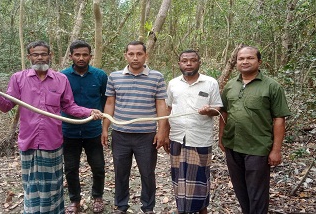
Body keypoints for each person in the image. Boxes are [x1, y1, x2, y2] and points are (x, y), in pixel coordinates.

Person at [0, 40, 103, 214]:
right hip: (29, 140)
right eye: (35, 54)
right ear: (29, 57)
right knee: (31, 184)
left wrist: (89, 112)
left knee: (53, 184)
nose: (40, 57)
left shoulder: (61, 79)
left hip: (52, 140)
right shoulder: (18, 78)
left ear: (50, 56)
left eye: (43, 54)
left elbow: (69, 106)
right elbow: (5, 106)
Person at [219, 46, 291, 214]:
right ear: (236, 62)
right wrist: (221, 137)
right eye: (241, 58)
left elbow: (279, 119)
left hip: (258, 147)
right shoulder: (230, 85)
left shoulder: (272, 87)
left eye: (250, 58)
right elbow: (224, 112)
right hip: (233, 145)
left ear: (259, 61)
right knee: (240, 189)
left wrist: (276, 150)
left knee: (257, 192)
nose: (245, 61)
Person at [101, 41, 168, 214]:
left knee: (147, 173)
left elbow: (161, 104)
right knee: (120, 173)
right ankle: (121, 206)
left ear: (146, 55)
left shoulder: (156, 77)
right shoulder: (114, 76)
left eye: (139, 54)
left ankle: (148, 207)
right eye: (131, 54)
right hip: (121, 134)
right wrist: (105, 128)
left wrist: (161, 131)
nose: (135, 57)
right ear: (125, 55)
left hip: (146, 135)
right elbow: (110, 104)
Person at [165, 50, 223, 214]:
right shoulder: (173, 84)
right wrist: (164, 134)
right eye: (184, 61)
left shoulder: (210, 83)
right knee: (179, 178)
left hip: (199, 139)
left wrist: (209, 110)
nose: (188, 63)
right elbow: (168, 108)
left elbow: (217, 108)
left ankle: (201, 210)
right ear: (179, 64)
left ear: (199, 63)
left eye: (193, 60)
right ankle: (181, 209)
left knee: (199, 179)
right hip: (177, 137)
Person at [60, 40, 108, 214]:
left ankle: (98, 197)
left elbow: (105, 100)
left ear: (90, 56)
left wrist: (102, 122)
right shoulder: (62, 76)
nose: (81, 58)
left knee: (98, 166)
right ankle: (75, 201)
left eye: (85, 54)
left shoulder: (100, 75)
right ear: (71, 56)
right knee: (71, 167)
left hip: (92, 131)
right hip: (69, 130)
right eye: (77, 54)